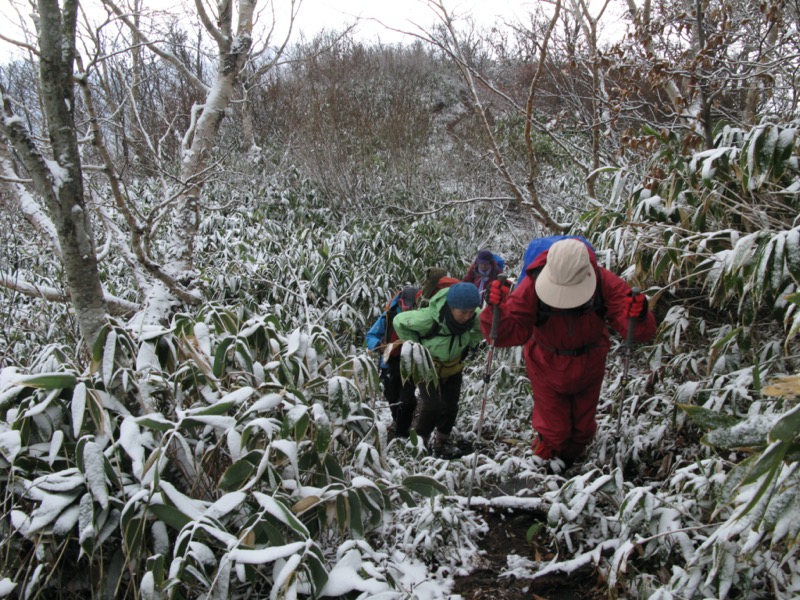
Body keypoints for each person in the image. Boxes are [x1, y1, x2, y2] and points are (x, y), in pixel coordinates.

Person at [482, 238, 657, 467]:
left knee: (583, 428)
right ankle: (545, 462)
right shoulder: (533, 283)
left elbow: (637, 330)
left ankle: (573, 463)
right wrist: (496, 309)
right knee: (553, 428)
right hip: (546, 363)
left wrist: (640, 315)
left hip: (590, 361)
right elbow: (508, 332)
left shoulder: (604, 281)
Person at [393, 282, 484, 457]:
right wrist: (416, 348)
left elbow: (483, 326)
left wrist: (469, 342)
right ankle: (419, 445)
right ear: (451, 307)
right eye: (463, 312)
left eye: (471, 311)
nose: (468, 316)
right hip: (428, 368)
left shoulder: (474, 315)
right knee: (432, 406)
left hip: (453, 367)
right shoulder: (428, 319)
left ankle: (441, 442)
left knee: (450, 406)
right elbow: (399, 321)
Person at [366, 286, 421, 438]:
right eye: (405, 305)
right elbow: (370, 336)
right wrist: (378, 345)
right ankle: (398, 421)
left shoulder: (420, 319)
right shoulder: (388, 316)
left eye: (412, 306)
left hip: (409, 364)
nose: (408, 309)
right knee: (391, 395)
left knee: (407, 400)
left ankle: (401, 433)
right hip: (389, 363)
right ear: (400, 302)